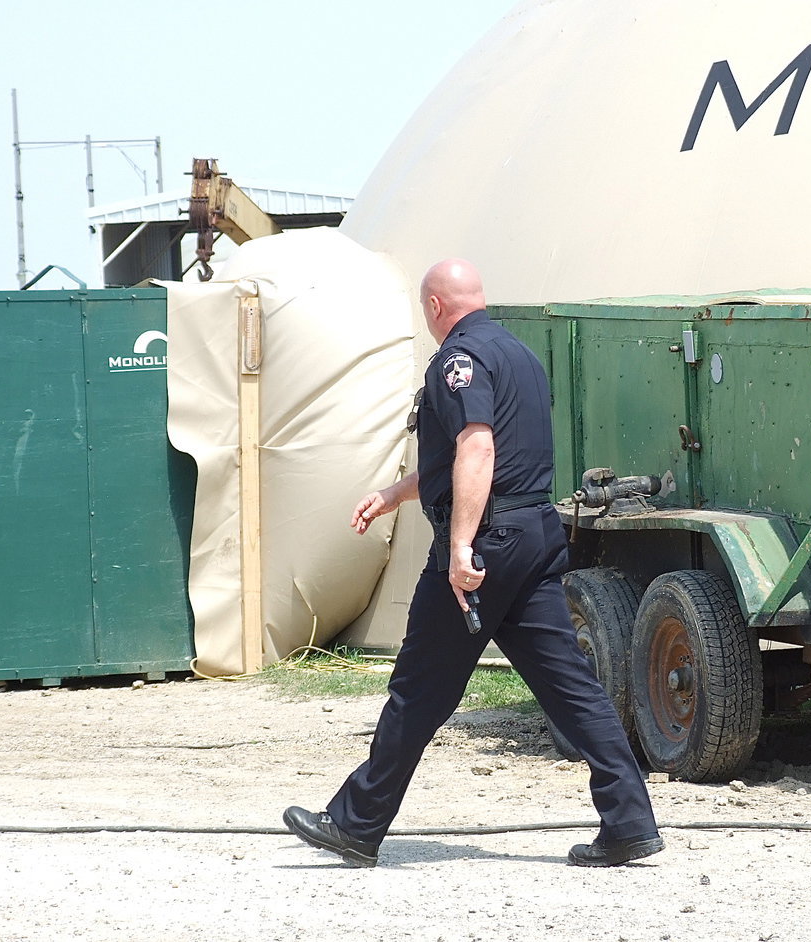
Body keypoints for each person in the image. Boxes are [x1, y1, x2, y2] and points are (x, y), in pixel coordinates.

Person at [283, 258, 662, 868]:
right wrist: (393, 495)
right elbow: (477, 458)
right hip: (534, 535)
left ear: (434, 307)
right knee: (569, 685)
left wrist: (460, 546)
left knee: (419, 689)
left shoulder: (455, 362)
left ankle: (357, 823)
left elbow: (478, 446)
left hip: (487, 546)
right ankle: (629, 823)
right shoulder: (518, 355)